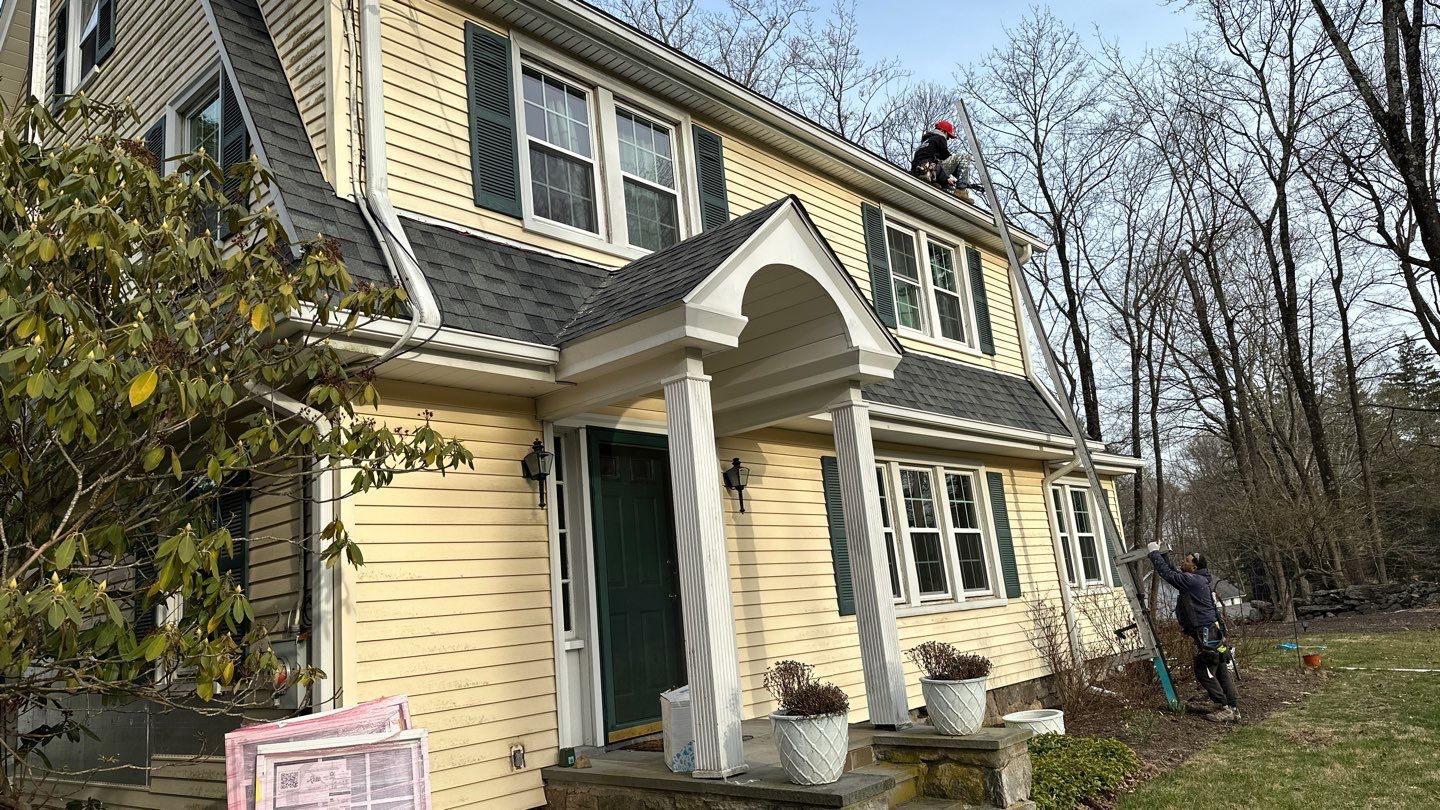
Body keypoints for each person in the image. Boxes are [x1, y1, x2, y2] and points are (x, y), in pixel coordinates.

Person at [1147, 542, 1240, 722]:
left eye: (1187, 561)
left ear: (1194, 566)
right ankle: (1232, 708)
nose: (1183, 561)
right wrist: (1164, 555)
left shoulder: (1192, 581)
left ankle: (1224, 706)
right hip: (1214, 633)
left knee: (1203, 670)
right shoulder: (1198, 579)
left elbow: (1168, 574)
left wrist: (1154, 553)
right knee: (1220, 669)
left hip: (1206, 635)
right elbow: (1175, 572)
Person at [911, 121, 972, 195]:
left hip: (920, 172)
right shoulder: (940, 138)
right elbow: (946, 157)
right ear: (942, 131)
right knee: (964, 157)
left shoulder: (922, 145)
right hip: (931, 169)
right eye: (948, 136)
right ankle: (961, 191)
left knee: (948, 188)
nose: (947, 139)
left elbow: (935, 161)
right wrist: (962, 178)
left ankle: (937, 184)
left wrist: (946, 179)